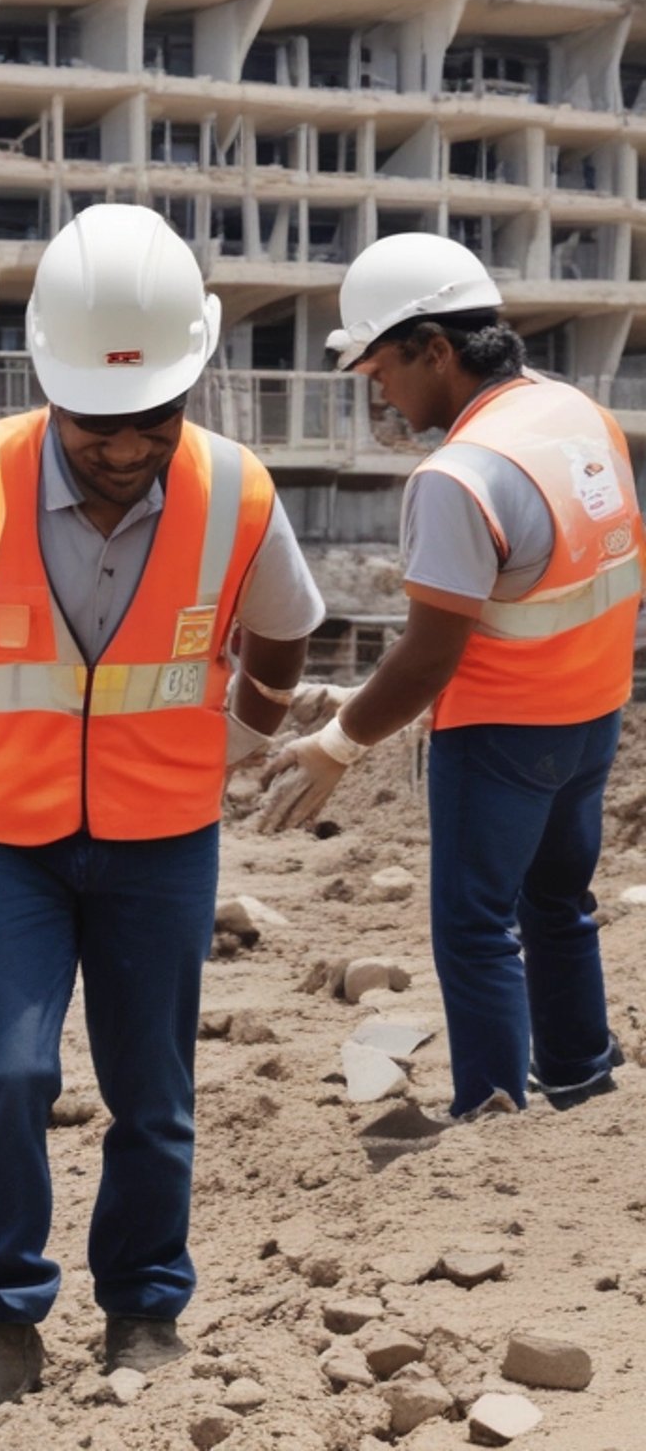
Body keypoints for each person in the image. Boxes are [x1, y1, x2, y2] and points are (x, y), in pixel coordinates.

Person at [0, 204, 324, 1412]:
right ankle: (2, 1320)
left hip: (163, 842)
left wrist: (249, 735)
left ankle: (144, 1310)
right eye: (101, 425)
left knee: (152, 1091)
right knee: (3, 1074)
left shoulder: (235, 492)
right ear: (51, 384)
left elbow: (289, 626)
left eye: (153, 419)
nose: (127, 446)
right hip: (7, 842)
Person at [265, 235, 640, 1117]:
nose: (378, 391)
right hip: (594, 713)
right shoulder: (574, 412)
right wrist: (363, 696)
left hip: (503, 730)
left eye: (381, 368)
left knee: (475, 929)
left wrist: (338, 742)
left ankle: (491, 1108)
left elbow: (435, 651)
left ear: (435, 347)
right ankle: (582, 1074)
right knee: (558, 903)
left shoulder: (457, 477)